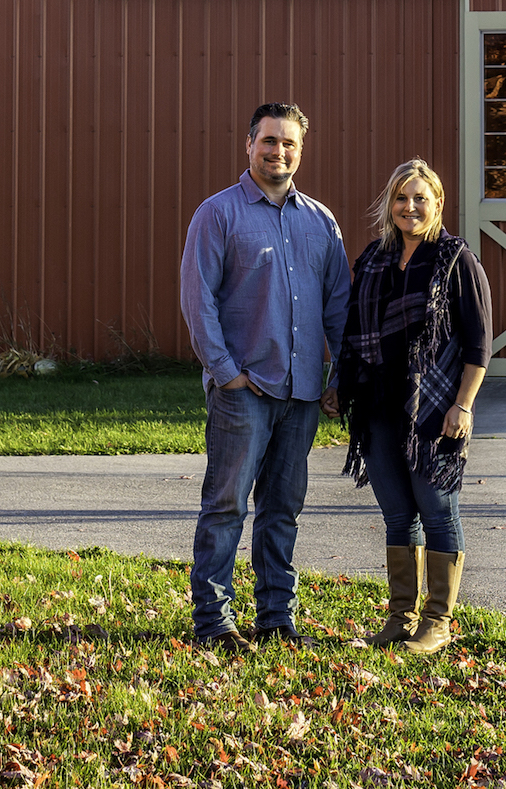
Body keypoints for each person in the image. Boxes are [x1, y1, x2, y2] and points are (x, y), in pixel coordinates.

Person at [179, 101, 352, 648]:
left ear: (302, 150)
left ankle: (276, 617)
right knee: (227, 506)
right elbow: (196, 298)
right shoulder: (218, 213)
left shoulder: (320, 221)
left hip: (301, 394)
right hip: (244, 392)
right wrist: (225, 373)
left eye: (289, 143)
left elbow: (339, 307)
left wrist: (339, 376)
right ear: (248, 145)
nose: (279, 151)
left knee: (283, 509)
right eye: (269, 141)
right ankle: (214, 621)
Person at [325, 158, 489, 656]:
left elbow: (479, 342)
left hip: (434, 407)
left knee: (437, 510)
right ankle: (402, 616)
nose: (410, 206)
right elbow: (353, 331)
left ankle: (437, 622)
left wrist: (463, 405)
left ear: (437, 203)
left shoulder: (455, 257)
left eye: (421, 198)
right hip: (376, 404)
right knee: (398, 514)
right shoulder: (373, 257)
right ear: (389, 204)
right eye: (401, 197)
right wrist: (339, 382)